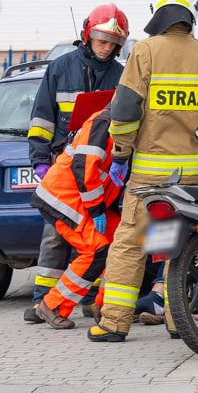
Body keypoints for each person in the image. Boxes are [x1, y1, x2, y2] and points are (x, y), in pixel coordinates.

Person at [88, 0, 198, 342]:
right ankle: (176, 319)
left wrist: (121, 150)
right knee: (181, 245)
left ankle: (114, 323)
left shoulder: (145, 51)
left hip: (150, 175)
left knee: (133, 244)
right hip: (195, 176)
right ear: (189, 13)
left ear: (157, 12)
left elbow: (125, 108)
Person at [24, 4, 128, 323]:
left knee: (96, 240)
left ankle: (86, 299)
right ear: (87, 34)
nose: (106, 47)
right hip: (64, 163)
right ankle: (45, 298)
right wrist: (40, 161)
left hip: (95, 166)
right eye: (100, 39)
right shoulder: (60, 68)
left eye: (112, 42)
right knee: (57, 236)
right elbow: (42, 119)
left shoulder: (120, 74)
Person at [30, 106, 123, 329]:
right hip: (65, 198)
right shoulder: (104, 122)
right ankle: (52, 305)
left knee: (121, 243)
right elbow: (84, 167)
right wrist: (97, 210)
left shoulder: (121, 121)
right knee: (95, 251)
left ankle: (107, 307)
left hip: (89, 200)